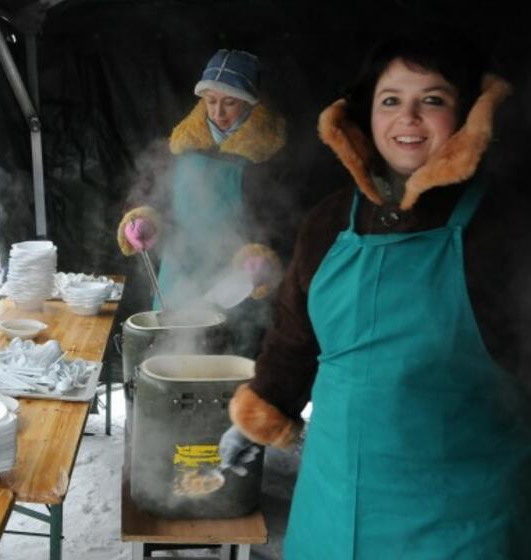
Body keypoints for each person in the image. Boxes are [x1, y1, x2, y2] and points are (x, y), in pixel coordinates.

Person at [222, 34, 531, 558]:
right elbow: (296, 338)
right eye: (391, 101)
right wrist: (262, 410)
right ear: (365, 116)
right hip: (333, 505)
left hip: (462, 520)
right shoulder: (328, 222)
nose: (407, 118)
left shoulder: (503, 231)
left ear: (468, 115)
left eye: (432, 100)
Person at [117, 49, 288, 357]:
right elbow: (150, 189)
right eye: (210, 101)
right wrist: (142, 219)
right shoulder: (182, 143)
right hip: (177, 278)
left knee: (226, 366)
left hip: (236, 287)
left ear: (250, 102)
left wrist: (264, 258)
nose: (218, 113)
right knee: (171, 360)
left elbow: (282, 219)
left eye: (229, 102)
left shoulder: (267, 157)